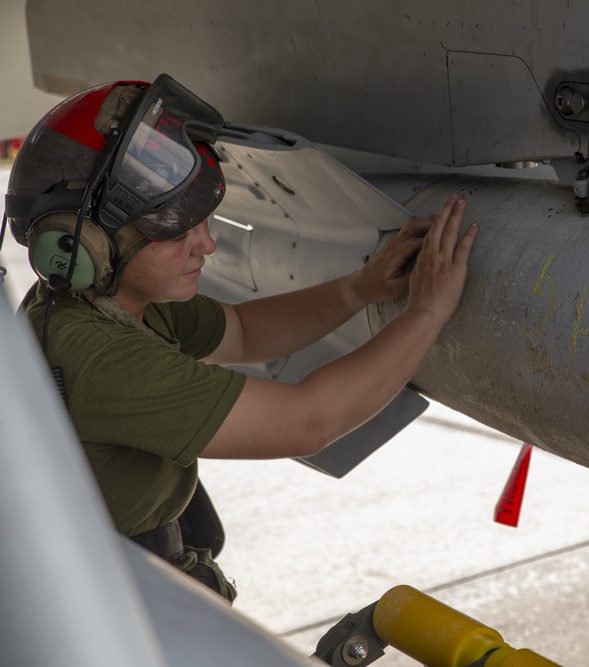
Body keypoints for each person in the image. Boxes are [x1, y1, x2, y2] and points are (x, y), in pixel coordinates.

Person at [3, 74, 478, 601]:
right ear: (86, 244)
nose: (207, 244)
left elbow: (248, 332)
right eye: (178, 232)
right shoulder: (99, 357)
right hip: (117, 607)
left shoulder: (109, 303)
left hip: (138, 583)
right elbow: (308, 421)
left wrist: (358, 289)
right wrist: (428, 313)